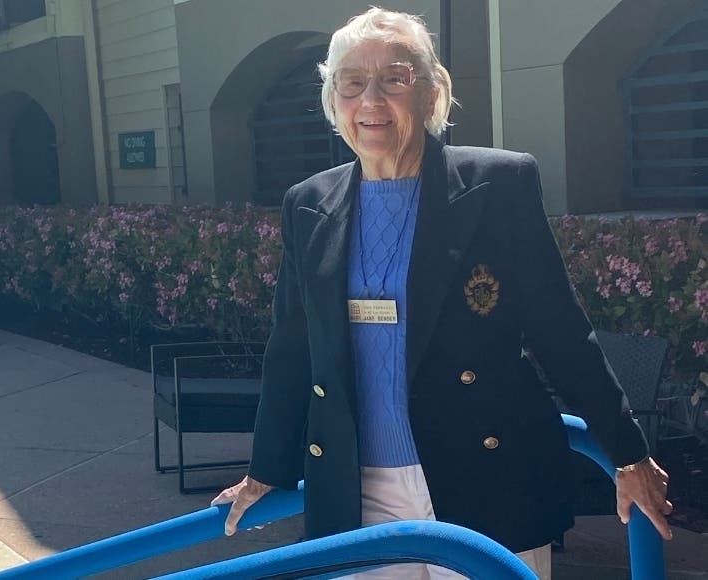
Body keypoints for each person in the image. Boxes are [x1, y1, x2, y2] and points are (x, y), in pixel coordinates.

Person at [211, 7, 672, 579]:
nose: (371, 101)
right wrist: (267, 467)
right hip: (357, 491)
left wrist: (627, 452)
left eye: (395, 79)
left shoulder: (498, 184)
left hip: (485, 476)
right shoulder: (308, 203)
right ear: (334, 101)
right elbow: (293, 346)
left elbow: (561, 331)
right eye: (352, 83)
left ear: (432, 94)